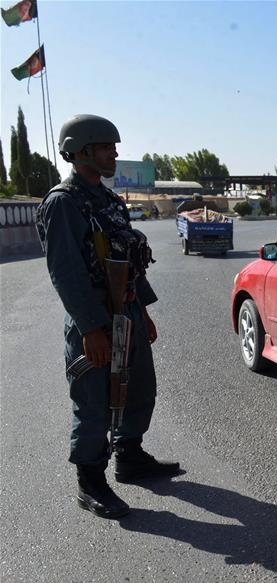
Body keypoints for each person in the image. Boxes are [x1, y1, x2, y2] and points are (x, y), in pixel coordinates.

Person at [36, 114, 181, 519]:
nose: (114, 153)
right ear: (81, 152)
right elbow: (65, 272)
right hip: (95, 316)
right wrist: (90, 328)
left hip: (128, 309)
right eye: (105, 147)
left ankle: (130, 456)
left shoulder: (109, 201)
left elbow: (130, 259)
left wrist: (144, 311)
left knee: (137, 387)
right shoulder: (64, 203)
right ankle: (90, 480)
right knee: (94, 400)